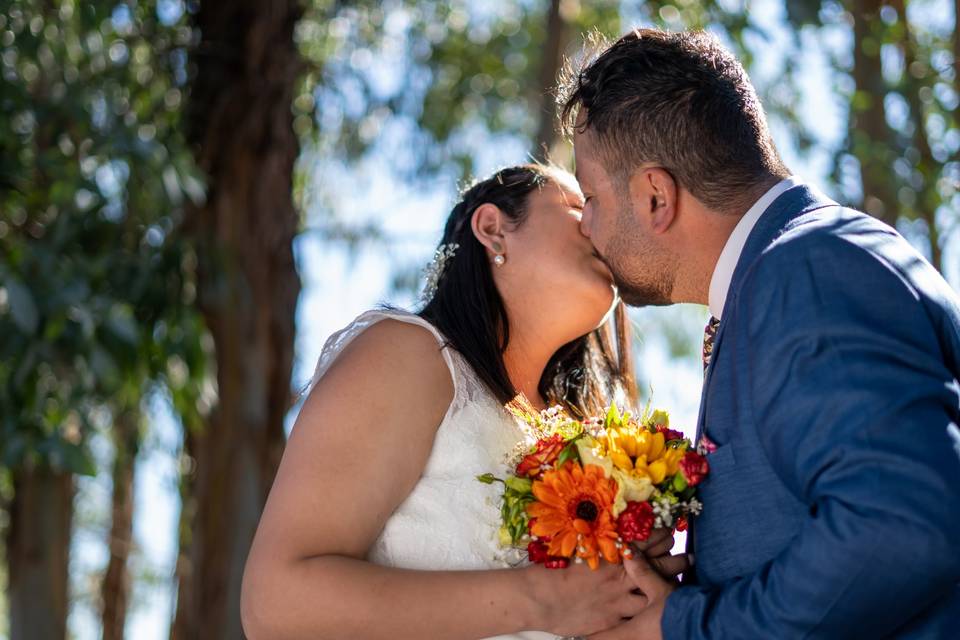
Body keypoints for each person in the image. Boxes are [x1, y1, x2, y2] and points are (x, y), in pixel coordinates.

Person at [557, 28, 960, 639]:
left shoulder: (804, 270)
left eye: (589, 196)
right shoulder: (786, 273)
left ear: (656, 196)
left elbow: (901, 524)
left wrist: (686, 628)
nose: (584, 224)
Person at [240, 164, 686, 639]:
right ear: (494, 230)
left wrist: (644, 609)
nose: (599, 227)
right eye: (581, 207)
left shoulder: (576, 438)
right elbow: (276, 602)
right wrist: (542, 598)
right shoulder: (409, 355)